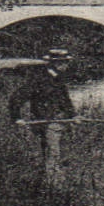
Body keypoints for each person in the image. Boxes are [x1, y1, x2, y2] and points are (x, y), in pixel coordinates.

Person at [8, 48, 77, 182]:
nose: (65, 65)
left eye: (66, 62)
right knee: (53, 153)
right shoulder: (39, 80)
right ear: (54, 63)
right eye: (62, 62)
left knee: (59, 153)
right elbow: (16, 98)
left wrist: (73, 115)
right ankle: (53, 183)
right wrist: (17, 118)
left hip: (61, 122)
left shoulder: (59, 78)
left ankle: (54, 180)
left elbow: (65, 100)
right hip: (46, 123)